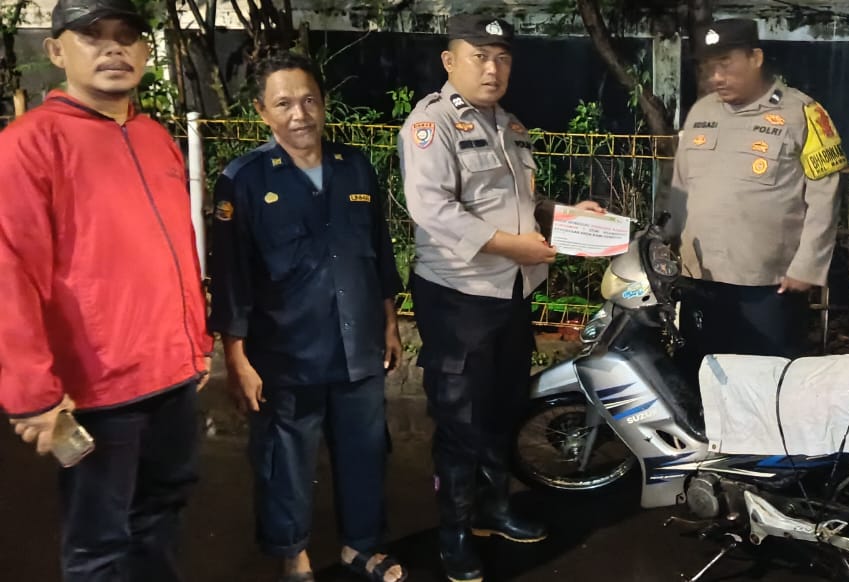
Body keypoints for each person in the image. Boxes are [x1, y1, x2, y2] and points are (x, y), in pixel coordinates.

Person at [0, 0, 213, 579]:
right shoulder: (30, 144)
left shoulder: (154, 137)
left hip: (172, 376)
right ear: (55, 50)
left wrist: (196, 343)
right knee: (99, 542)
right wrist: (33, 393)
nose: (114, 48)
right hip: (97, 388)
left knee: (162, 513)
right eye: (93, 36)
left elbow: (177, 248)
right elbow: (10, 274)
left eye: (127, 36)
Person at [397, 16, 604, 582]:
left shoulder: (509, 124)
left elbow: (519, 204)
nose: (493, 68)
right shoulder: (431, 125)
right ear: (450, 61)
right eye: (480, 56)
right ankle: (455, 533)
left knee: (501, 410)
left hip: (512, 292)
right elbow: (433, 210)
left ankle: (493, 509)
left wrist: (564, 215)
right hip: (458, 297)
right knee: (460, 420)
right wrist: (515, 247)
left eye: (502, 57)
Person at [207, 52, 406, 582]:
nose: (300, 114)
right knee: (285, 461)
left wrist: (389, 322)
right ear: (262, 112)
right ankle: (293, 554)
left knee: (365, 453)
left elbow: (380, 252)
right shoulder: (244, 180)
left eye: (309, 100)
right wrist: (236, 357)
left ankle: (360, 546)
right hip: (285, 353)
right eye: (284, 104)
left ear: (323, 103)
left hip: (358, 344)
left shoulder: (354, 165)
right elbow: (230, 277)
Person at [669, 18, 845, 374]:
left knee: (766, 382)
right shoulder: (701, 111)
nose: (716, 76)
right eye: (708, 67)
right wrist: (667, 243)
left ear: (755, 58)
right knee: (701, 377)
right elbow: (681, 185)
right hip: (700, 278)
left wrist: (807, 267)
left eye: (725, 63)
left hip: (769, 286)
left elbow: (825, 196)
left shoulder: (803, 113)